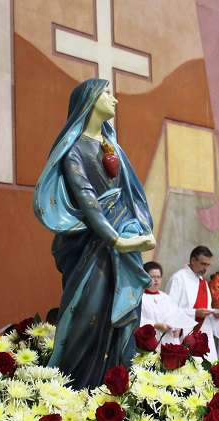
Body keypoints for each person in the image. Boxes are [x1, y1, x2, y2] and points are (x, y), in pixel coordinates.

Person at [33, 79, 155, 389]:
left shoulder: (113, 148)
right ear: (90, 100)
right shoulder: (74, 151)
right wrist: (117, 240)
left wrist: (138, 228)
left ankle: (114, 387)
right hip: (92, 248)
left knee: (122, 323)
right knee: (90, 315)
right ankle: (75, 389)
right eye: (107, 93)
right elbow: (88, 201)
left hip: (122, 246)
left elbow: (131, 195)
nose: (115, 100)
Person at [166, 246, 219, 361]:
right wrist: (194, 313)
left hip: (204, 333)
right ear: (193, 260)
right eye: (203, 264)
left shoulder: (203, 282)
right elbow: (169, 309)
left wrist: (214, 315)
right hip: (185, 333)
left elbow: (207, 308)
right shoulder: (178, 278)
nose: (205, 268)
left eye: (207, 265)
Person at [140, 262, 196, 346]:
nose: (156, 280)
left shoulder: (166, 298)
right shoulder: (140, 298)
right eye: (152, 277)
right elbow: (138, 321)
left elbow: (176, 316)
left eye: (158, 277)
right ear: (144, 278)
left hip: (168, 341)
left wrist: (177, 327)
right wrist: (155, 325)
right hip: (149, 341)